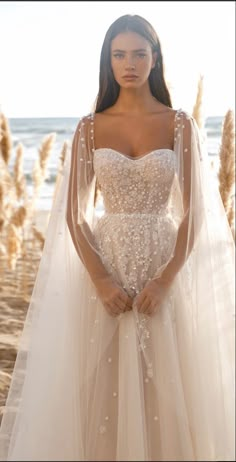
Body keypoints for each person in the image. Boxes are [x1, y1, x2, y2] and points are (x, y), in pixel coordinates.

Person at [0, 13, 235, 462]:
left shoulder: (179, 124)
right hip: (105, 266)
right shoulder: (89, 127)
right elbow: (74, 214)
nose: (129, 63)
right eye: (119, 54)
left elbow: (195, 214)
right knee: (99, 382)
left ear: (155, 58)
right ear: (108, 61)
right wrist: (101, 280)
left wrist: (166, 280)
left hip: (165, 263)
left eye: (139, 53)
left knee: (168, 382)